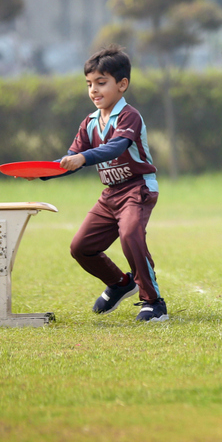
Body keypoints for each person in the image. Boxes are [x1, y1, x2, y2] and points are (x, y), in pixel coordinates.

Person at [46, 45, 168, 322]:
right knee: (81, 247)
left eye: (101, 83)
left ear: (122, 84)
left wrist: (82, 158)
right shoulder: (89, 122)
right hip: (111, 194)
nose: (94, 90)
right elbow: (70, 159)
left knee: (130, 234)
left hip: (138, 188)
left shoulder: (129, 116)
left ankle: (154, 302)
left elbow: (114, 148)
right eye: (89, 84)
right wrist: (44, 171)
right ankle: (120, 283)